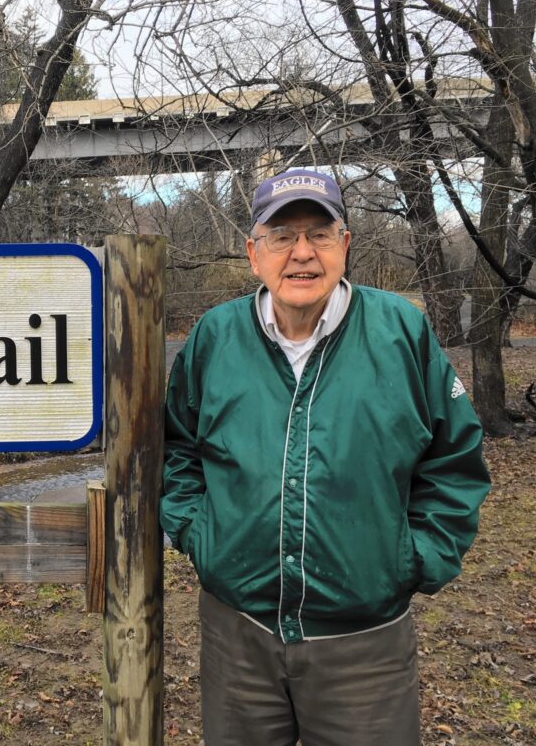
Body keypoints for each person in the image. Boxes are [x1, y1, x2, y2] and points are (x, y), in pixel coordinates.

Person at [160, 168, 491, 746]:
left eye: (319, 233)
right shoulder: (215, 337)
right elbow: (177, 449)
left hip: (365, 645)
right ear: (253, 253)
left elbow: (454, 458)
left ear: (345, 245)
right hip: (238, 636)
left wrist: (413, 559)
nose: (302, 253)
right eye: (282, 236)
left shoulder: (400, 332)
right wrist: (198, 534)